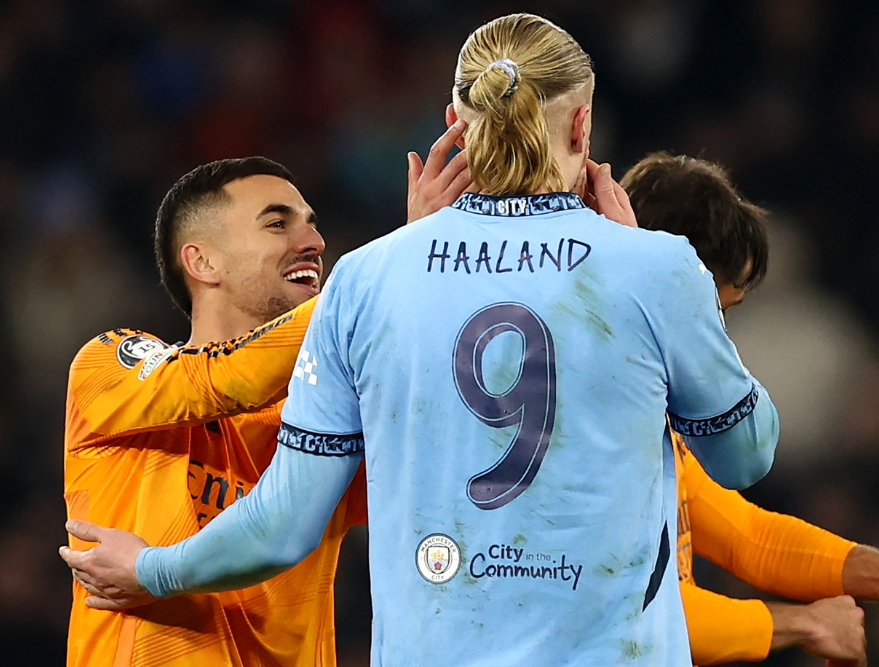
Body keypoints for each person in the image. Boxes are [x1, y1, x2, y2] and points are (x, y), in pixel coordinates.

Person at [61, 14, 780, 666]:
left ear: (455, 125)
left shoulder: (368, 280)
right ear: (582, 125)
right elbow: (745, 455)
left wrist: (153, 568)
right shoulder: (654, 267)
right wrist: (675, 291)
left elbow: (283, 526)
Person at [63, 127, 475, 667]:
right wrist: (397, 263)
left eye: (311, 224)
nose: (314, 242)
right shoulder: (111, 367)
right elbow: (230, 377)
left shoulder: (331, 407)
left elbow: (454, 454)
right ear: (202, 262)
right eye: (277, 223)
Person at [622, 152, 879, 666]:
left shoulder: (648, 416)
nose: (716, 338)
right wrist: (800, 622)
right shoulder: (576, 426)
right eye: (714, 311)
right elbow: (617, 619)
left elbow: (751, 538)